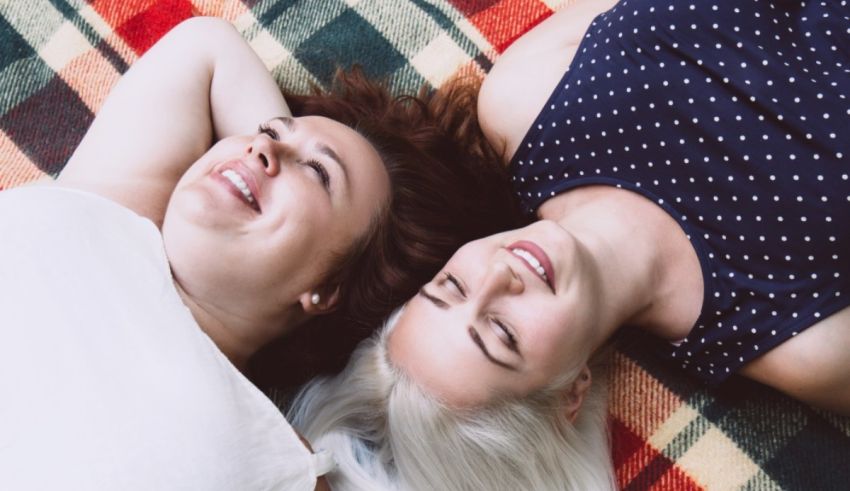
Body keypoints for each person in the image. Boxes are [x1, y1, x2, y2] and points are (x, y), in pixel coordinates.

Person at [288, 1, 849, 489]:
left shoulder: (522, 104)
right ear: (568, 398)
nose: (498, 277)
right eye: (502, 333)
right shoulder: (799, 341)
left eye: (450, 285)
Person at [0, 16, 521, 490]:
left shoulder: (275, 457)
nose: (259, 147)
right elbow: (207, 46)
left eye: (319, 174)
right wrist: (282, 165)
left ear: (326, 293)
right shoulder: (108, 206)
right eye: (267, 132)